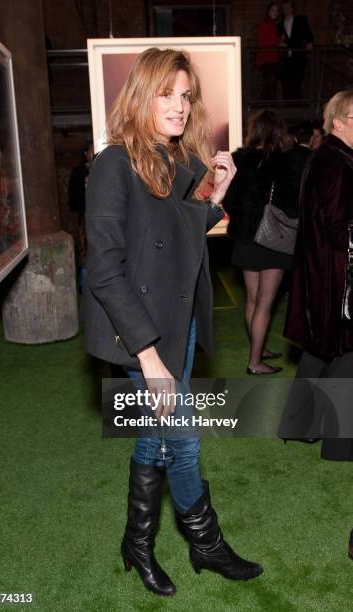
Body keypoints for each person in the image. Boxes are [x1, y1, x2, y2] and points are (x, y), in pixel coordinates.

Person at [84, 48, 263, 597]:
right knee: (182, 440)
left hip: (178, 320)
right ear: (142, 94)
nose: (180, 106)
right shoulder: (115, 163)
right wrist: (149, 358)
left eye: (186, 95)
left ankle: (136, 539)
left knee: (154, 434)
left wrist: (220, 194)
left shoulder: (175, 161)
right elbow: (105, 271)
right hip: (140, 332)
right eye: (167, 93)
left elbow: (180, 234)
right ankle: (203, 542)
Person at [281, 90, 353, 461]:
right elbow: (339, 230)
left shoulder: (322, 157)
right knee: (345, 353)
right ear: (338, 120)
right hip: (338, 279)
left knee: (318, 349)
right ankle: (341, 445)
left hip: (318, 273)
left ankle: (298, 424)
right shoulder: (340, 163)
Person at [225, 110, 299, 375]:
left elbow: (230, 200)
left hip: (246, 238)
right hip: (273, 240)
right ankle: (255, 362)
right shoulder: (286, 162)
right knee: (265, 306)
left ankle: (258, 348)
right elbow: (293, 203)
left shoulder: (240, 160)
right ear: (279, 130)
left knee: (253, 302)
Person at [68, 140, 94, 291]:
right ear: (85, 154)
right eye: (90, 150)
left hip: (101, 217)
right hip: (85, 215)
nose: (92, 152)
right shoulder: (79, 172)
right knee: (85, 248)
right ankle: (84, 285)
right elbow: (74, 195)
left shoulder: (102, 169)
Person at [278, 1, 314, 99]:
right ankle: (288, 104)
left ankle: (297, 105)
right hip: (286, 57)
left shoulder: (300, 19)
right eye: (284, 7)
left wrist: (310, 42)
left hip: (298, 54)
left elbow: (308, 33)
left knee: (297, 81)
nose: (285, 9)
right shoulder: (281, 23)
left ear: (292, 8)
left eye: (287, 7)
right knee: (286, 81)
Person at [256, 3, 281, 100]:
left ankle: (267, 106)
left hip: (270, 58)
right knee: (269, 84)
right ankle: (267, 106)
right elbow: (269, 42)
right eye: (273, 10)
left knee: (269, 84)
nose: (275, 12)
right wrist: (280, 41)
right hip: (267, 58)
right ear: (268, 12)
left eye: (277, 10)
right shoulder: (266, 23)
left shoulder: (271, 23)